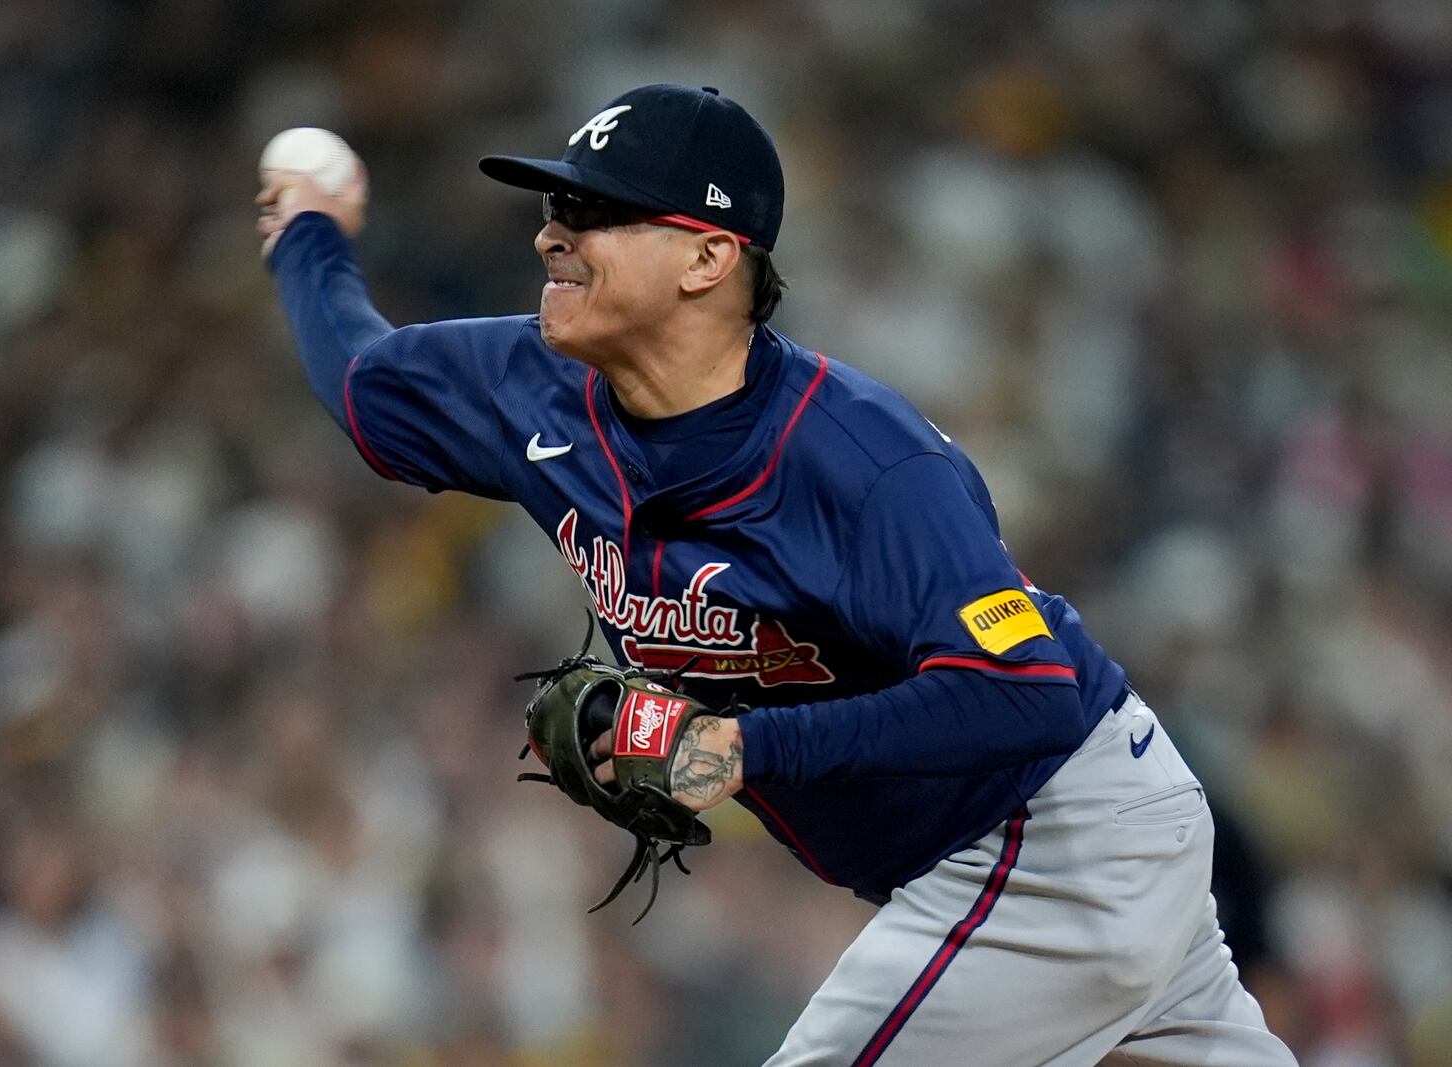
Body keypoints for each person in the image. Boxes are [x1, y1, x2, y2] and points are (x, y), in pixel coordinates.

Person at [257, 83, 1297, 1067]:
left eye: (594, 210)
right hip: (1029, 853)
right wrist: (308, 235)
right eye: (552, 202)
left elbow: (1022, 694)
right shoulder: (532, 383)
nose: (548, 231)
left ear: (708, 256)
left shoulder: (862, 460)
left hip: (1049, 834)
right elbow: (363, 384)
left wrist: (741, 746)